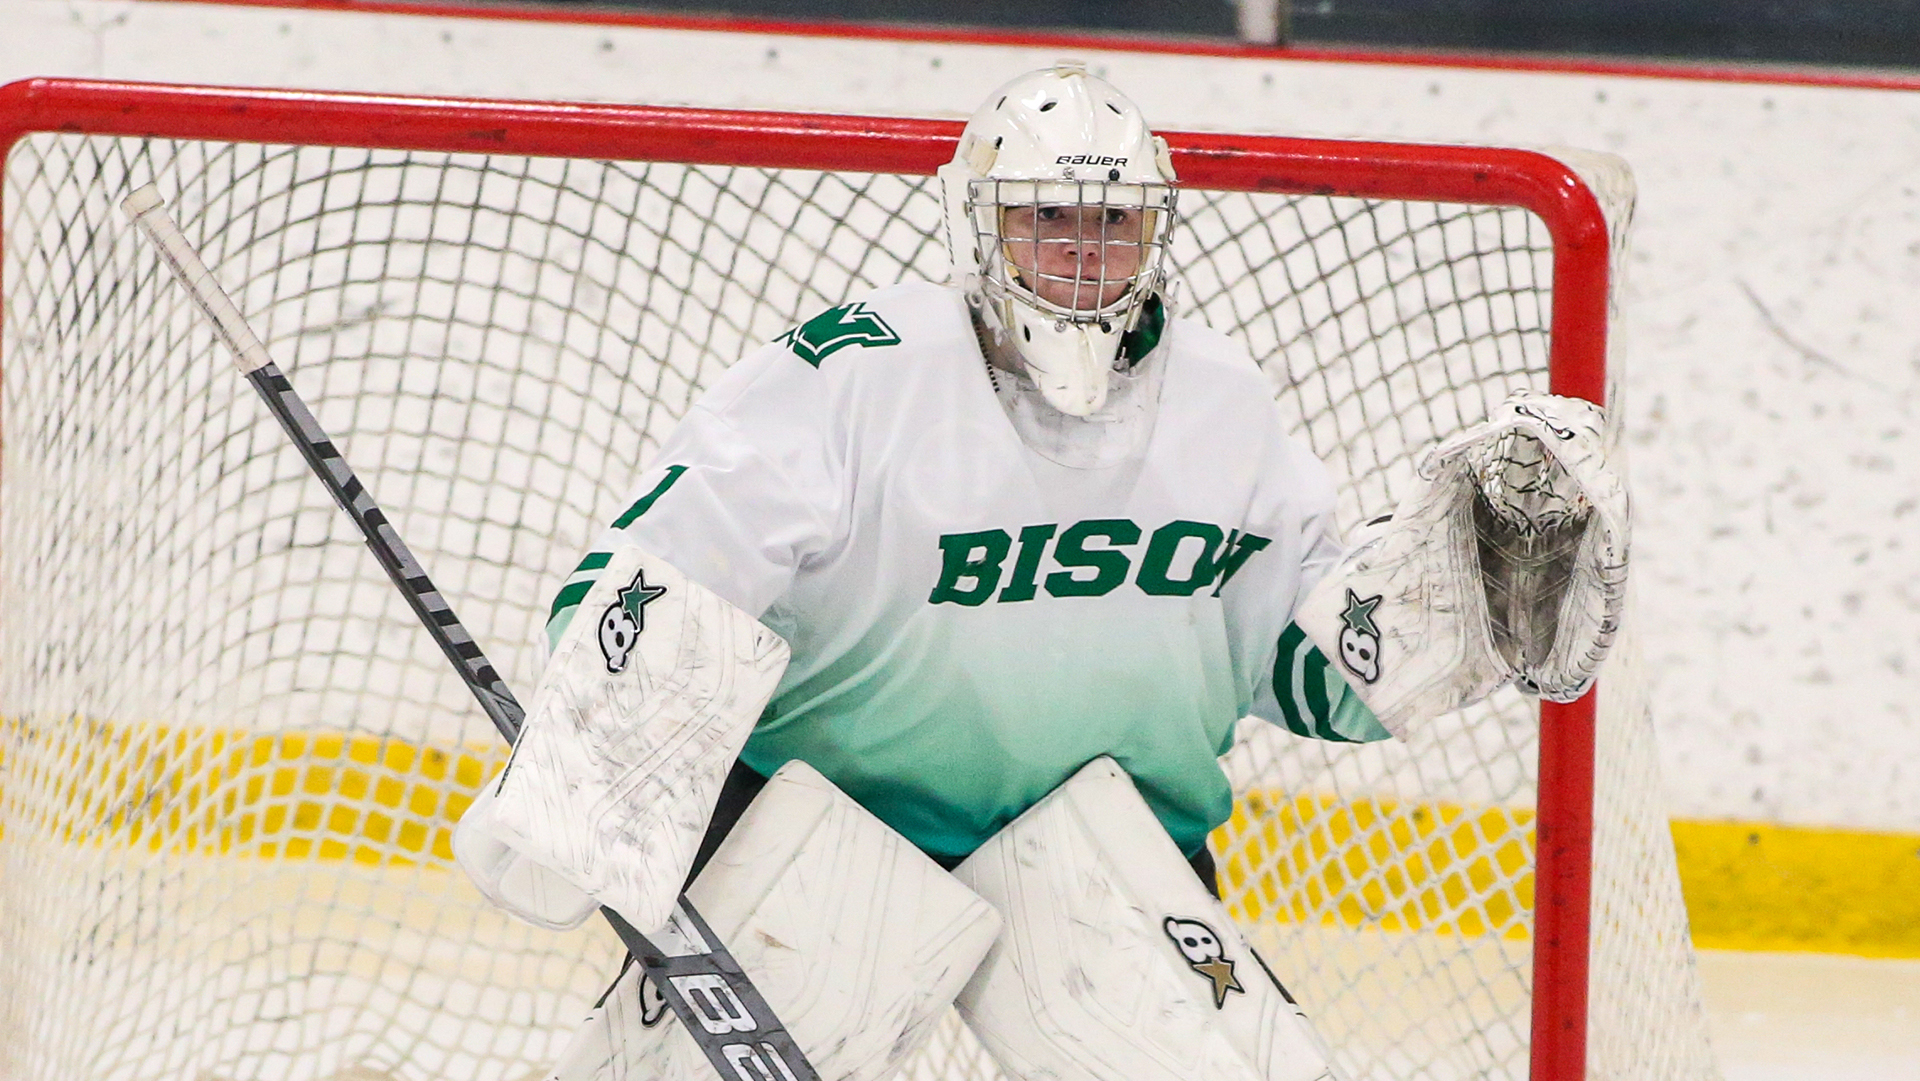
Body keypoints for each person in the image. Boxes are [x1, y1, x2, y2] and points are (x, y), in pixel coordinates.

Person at [457, 61, 1626, 1081]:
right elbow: (674, 561)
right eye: (1048, 215)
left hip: (1109, 841)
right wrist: (599, 753)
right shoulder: (858, 373)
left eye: (1113, 222)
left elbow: (1310, 663)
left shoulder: (1224, 404)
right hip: (820, 827)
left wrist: (1458, 594)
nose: (1081, 248)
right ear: (984, 224)